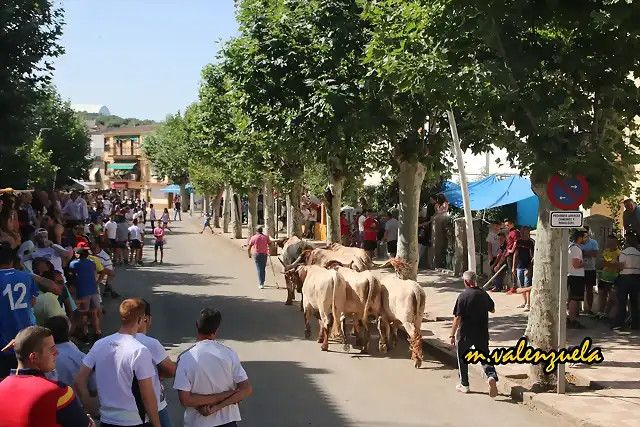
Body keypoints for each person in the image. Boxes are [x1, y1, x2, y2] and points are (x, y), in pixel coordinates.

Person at [74, 298, 161, 427]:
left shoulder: (99, 345)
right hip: (135, 421)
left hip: (107, 420)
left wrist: (92, 410)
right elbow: (147, 394)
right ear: (140, 320)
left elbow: (79, 381)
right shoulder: (139, 351)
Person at [0, 326, 95, 427]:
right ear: (34, 357)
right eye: (52, 349)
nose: (57, 353)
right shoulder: (58, 392)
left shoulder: (2, 387)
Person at [174, 308, 252, 427]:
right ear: (217, 329)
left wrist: (212, 402)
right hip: (227, 421)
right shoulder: (229, 353)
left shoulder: (185, 358)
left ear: (197, 326)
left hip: (196, 423)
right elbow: (246, 389)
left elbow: (185, 400)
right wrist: (219, 405)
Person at [450, 271, 498, 397]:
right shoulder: (483, 294)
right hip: (481, 332)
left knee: (462, 358)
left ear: (465, 282)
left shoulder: (462, 296)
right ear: (475, 280)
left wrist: (452, 334)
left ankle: (464, 384)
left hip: (465, 333)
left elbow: (457, 317)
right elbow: (492, 309)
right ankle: (491, 376)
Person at [136, 301, 177, 427]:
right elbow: (171, 370)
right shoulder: (150, 343)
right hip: (154, 406)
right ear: (147, 319)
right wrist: (158, 375)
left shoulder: (111, 342)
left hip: (124, 409)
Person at [43, 315, 97, 400]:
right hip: (77, 407)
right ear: (69, 330)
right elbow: (94, 389)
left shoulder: (40, 359)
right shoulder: (82, 357)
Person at [69, 248, 102, 341]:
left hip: (82, 291)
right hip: (94, 290)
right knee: (94, 313)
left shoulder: (74, 264)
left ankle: (85, 333)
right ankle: (97, 332)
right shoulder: (92, 262)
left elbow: (71, 275)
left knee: (83, 314)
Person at [612, 233, 640, 331]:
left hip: (625, 278)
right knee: (635, 302)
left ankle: (619, 324)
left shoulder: (624, 253)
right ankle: (635, 323)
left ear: (627, 241)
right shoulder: (638, 253)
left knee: (621, 302)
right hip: (636, 278)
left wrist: (615, 264)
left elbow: (621, 266)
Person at [567, 230, 587, 329]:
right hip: (576, 276)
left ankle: (571, 319)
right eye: (585, 237)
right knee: (574, 299)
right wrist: (585, 263)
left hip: (572, 275)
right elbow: (576, 264)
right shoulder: (576, 249)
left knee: (572, 299)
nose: (586, 239)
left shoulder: (571, 247)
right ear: (580, 238)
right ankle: (572, 320)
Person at [598, 234, 620, 319]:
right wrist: (610, 264)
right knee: (602, 295)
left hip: (613, 277)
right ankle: (601, 313)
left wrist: (609, 264)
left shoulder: (619, 253)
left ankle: (611, 313)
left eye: (611, 241)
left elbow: (617, 266)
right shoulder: (605, 251)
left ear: (615, 243)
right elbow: (603, 263)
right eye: (608, 241)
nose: (609, 243)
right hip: (604, 276)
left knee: (612, 297)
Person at [513, 226, 535, 311]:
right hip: (519, 266)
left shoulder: (531, 243)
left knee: (527, 285)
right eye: (521, 232)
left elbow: (533, 257)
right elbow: (516, 254)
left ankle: (528, 303)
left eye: (524, 232)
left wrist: (529, 268)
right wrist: (513, 267)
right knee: (521, 285)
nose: (522, 233)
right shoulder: (518, 242)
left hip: (527, 266)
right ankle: (525, 302)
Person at [581, 226, 600, 314]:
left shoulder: (593, 242)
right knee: (578, 289)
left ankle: (590, 308)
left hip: (590, 268)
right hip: (579, 269)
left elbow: (595, 253)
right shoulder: (577, 241)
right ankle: (577, 310)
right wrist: (588, 253)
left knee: (589, 290)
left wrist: (583, 253)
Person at [503, 218, 520, 294]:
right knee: (510, 270)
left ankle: (514, 286)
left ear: (512, 224)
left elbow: (516, 242)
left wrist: (512, 250)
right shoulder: (510, 232)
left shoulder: (514, 232)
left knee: (512, 270)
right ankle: (511, 286)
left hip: (511, 254)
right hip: (508, 253)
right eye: (506, 225)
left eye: (508, 225)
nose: (507, 227)